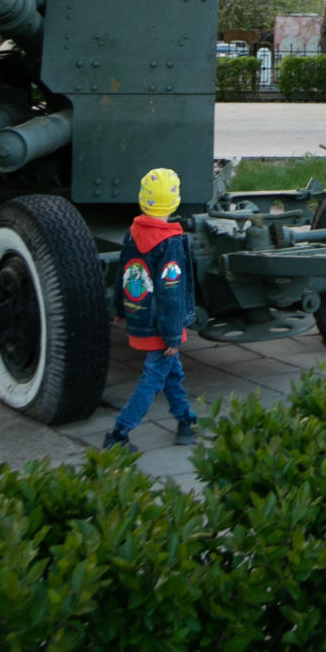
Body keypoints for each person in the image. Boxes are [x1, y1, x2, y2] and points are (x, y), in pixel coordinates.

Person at [104, 167, 200, 451]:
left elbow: (124, 272)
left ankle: (186, 420)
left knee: (171, 372)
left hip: (139, 313)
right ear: (175, 202)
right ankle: (119, 434)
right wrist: (172, 334)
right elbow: (171, 293)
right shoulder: (169, 243)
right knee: (153, 378)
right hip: (162, 325)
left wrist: (120, 307)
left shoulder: (133, 232)